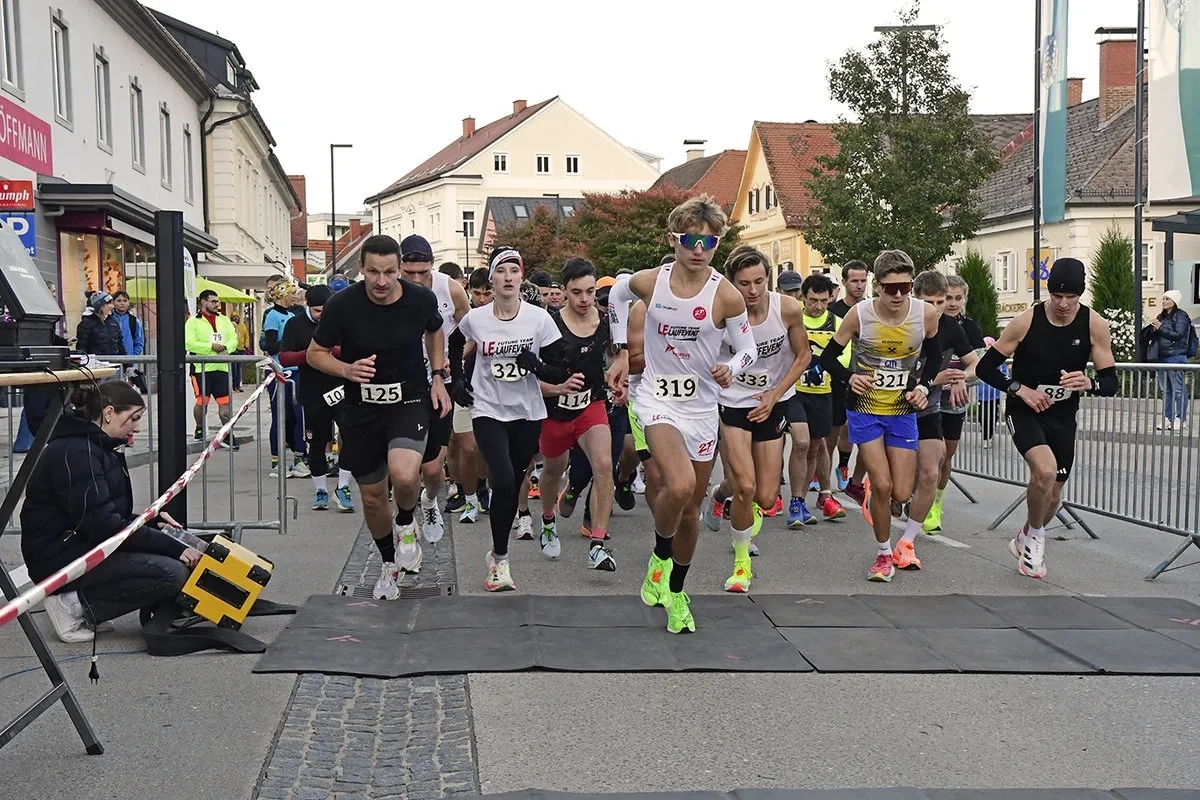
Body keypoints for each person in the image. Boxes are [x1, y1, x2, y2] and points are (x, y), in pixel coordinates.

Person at [607, 194, 759, 633]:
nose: (699, 249)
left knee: (690, 508)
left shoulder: (725, 295)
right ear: (674, 239)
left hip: (701, 407)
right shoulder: (651, 282)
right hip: (657, 398)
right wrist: (620, 352)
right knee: (680, 483)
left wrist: (731, 366)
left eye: (709, 243)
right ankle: (660, 551)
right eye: (691, 239)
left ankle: (674, 585)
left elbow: (747, 348)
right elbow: (616, 295)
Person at [307, 235, 451, 599]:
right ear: (362, 270)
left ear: (400, 269)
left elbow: (435, 330)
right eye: (373, 272)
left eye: (389, 272)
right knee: (371, 497)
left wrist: (437, 377)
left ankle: (405, 520)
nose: (382, 281)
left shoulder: (420, 299)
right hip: (361, 406)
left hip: (409, 399)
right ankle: (388, 564)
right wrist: (345, 369)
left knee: (404, 474)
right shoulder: (342, 305)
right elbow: (315, 354)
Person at [20, 382, 200, 643]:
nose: (136, 426)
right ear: (109, 413)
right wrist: (169, 545)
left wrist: (152, 523)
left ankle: (84, 604)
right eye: (133, 418)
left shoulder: (93, 446)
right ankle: (72, 604)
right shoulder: (77, 452)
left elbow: (105, 515)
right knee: (171, 572)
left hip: (75, 545)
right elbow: (103, 524)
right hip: (60, 557)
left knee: (172, 556)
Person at [974, 257, 1116, 579]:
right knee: (1044, 470)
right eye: (1057, 296)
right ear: (1048, 292)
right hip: (1025, 411)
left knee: (1053, 493)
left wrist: (1089, 383)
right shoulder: (1027, 320)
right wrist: (1019, 389)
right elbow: (985, 367)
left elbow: (1111, 383)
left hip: (1063, 417)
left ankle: (1025, 535)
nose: (1063, 304)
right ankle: (1036, 539)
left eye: (1071, 298)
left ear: (1081, 295)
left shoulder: (1095, 324)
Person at [449, 247, 575, 591]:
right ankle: (501, 562)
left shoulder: (539, 318)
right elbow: (455, 340)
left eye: (513, 271)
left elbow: (558, 365)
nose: (507, 277)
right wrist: (458, 380)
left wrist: (534, 365)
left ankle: (496, 551)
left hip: (527, 411)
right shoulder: (477, 318)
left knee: (514, 478)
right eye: (500, 271)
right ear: (491, 279)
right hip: (488, 408)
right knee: (503, 478)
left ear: (522, 277)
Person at [818, 249, 942, 582]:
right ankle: (884, 554)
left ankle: (878, 491)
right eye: (891, 288)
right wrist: (850, 377)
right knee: (886, 486)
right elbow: (828, 358)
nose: (899, 295)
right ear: (878, 287)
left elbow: (934, 358)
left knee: (901, 492)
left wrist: (924, 387)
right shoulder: (859, 315)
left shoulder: (925, 314)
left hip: (902, 410)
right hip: (865, 409)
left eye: (905, 286)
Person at [711, 246, 810, 593]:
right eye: (743, 284)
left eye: (759, 281)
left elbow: (803, 355)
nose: (752, 291)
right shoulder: (718, 312)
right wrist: (719, 375)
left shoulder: (786, 308)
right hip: (733, 405)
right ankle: (741, 565)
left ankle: (720, 493)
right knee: (746, 487)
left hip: (773, 401)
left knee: (767, 499)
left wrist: (775, 394)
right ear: (731, 283)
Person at [535, 257, 617, 571]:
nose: (585, 299)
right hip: (554, 412)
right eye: (576, 292)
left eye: (590, 291)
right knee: (554, 471)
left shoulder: (608, 321)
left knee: (604, 464)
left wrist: (617, 378)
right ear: (564, 292)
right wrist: (557, 388)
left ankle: (597, 544)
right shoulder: (548, 324)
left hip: (591, 406)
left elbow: (617, 356)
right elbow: (529, 375)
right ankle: (546, 520)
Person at [900, 271, 975, 566]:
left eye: (941, 301)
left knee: (932, 470)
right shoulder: (901, 325)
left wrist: (959, 378)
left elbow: (975, 364)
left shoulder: (951, 329)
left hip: (928, 411)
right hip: (895, 409)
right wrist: (933, 379)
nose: (936, 308)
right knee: (898, 486)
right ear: (915, 299)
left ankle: (907, 541)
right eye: (929, 301)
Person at [400, 234, 470, 543]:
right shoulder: (389, 290)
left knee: (431, 468)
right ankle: (405, 519)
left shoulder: (449, 288)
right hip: (404, 385)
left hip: (442, 382)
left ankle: (429, 501)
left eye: (422, 272)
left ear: (432, 266)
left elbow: (472, 331)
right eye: (409, 272)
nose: (416, 279)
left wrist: (455, 359)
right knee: (406, 467)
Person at [278, 285, 356, 513]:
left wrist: (332, 352)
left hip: (342, 388)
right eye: (318, 311)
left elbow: (353, 349)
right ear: (307, 308)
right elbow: (284, 357)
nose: (323, 315)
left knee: (349, 437)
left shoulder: (341, 321)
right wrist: (312, 354)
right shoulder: (295, 324)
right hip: (313, 392)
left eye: (326, 310)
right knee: (316, 442)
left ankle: (343, 487)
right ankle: (320, 490)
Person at [785, 272, 848, 526]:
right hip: (795, 392)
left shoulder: (837, 322)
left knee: (813, 446)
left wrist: (823, 364)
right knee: (800, 442)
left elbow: (844, 357)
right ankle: (795, 502)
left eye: (823, 300)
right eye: (813, 300)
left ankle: (801, 501)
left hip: (823, 393)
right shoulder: (793, 318)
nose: (818, 306)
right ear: (803, 296)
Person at [925, 274, 987, 532]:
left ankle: (935, 504)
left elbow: (979, 366)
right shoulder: (928, 322)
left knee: (945, 456)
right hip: (927, 396)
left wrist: (962, 378)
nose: (951, 303)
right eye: (946, 298)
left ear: (964, 300)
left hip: (954, 399)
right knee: (928, 454)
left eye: (957, 298)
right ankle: (919, 495)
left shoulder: (969, 329)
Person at [447, 267, 493, 523]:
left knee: (484, 447)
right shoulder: (466, 315)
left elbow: (474, 342)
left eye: (487, 293)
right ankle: (469, 497)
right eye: (477, 293)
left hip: (491, 389)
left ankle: (482, 486)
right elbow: (464, 342)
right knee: (467, 445)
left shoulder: (498, 315)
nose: (482, 298)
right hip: (464, 386)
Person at [829, 260, 869, 500]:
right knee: (833, 430)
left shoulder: (870, 310)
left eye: (863, 280)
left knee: (850, 427)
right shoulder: (833, 312)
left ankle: (844, 466)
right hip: (838, 377)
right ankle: (821, 472)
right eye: (854, 281)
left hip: (862, 379)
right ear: (844, 282)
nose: (859, 286)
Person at [262, 281, 309, 478]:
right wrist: (291, 344)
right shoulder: (273, 316)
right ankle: (276, 462)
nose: (295, 298)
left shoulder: (291, 316)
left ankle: (300, 458)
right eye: (292, 294)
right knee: (279, 417)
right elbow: (271, 345)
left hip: (296, 372)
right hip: (278, 371)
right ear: (282, 295)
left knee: (299, 416)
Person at [184, 289, 240, 449]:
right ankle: (200, 427)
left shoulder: (224, 320)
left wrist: (225, 348)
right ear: (203, 302)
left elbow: (233, 339)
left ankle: (227, 434)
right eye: (213, 301)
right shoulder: (193, 321)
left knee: (225, 408)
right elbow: (189, 342)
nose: (217, 304)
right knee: (202, 403)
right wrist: (211, 347)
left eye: (217, 301)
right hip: (201, 369)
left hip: (222, 369)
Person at [1148, 289, 1192, 431]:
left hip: (1176, 357)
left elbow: (1178, 335)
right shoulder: (1162, 316)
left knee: (1178, 389)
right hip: (1161, 358)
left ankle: (1181, 418)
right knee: (1165, 390)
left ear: (1174, 301)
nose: (1164, 301)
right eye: (1163, 299)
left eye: (1167, 299)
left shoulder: (1181, 316)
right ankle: (1168, 418)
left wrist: (1160, 328)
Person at [110, 290, 146, 391]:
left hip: (128, 365)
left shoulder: (134, 321)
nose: (122, 303)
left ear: (128, 302)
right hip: (111, 363)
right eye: (119, 300)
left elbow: (139, 343)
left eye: (125, 300)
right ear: (113, 302)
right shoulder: (108, 319)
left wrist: (132, 360)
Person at [75, 292, 125, 357]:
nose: (112, 306)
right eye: (108, 303)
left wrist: (127, 363)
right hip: (96, 365)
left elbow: (120, 345)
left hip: (115, 364)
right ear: (101, 306)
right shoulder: (86, 324)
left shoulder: (114, 322)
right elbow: (82, 348)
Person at [231, 312, 251, 392]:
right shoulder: (230, 326)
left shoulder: (243, 326)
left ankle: (238, 386)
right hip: (233, 350)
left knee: (239, 369)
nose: (235, 318)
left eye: (237, 317)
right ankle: (233, 386)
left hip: (241, 349)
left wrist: (246, 346)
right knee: (233, 369)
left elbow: (246, 336)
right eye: (234, 317)